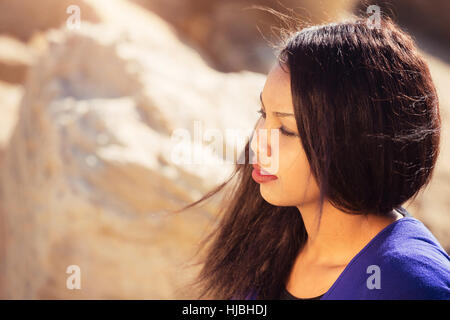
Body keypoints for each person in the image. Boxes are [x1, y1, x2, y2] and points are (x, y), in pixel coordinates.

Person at [174, 15, 450, 300]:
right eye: (263, 115)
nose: (259, 141)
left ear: (356, 143)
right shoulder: (275, 239)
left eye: (286, 129)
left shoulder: (408, 284)